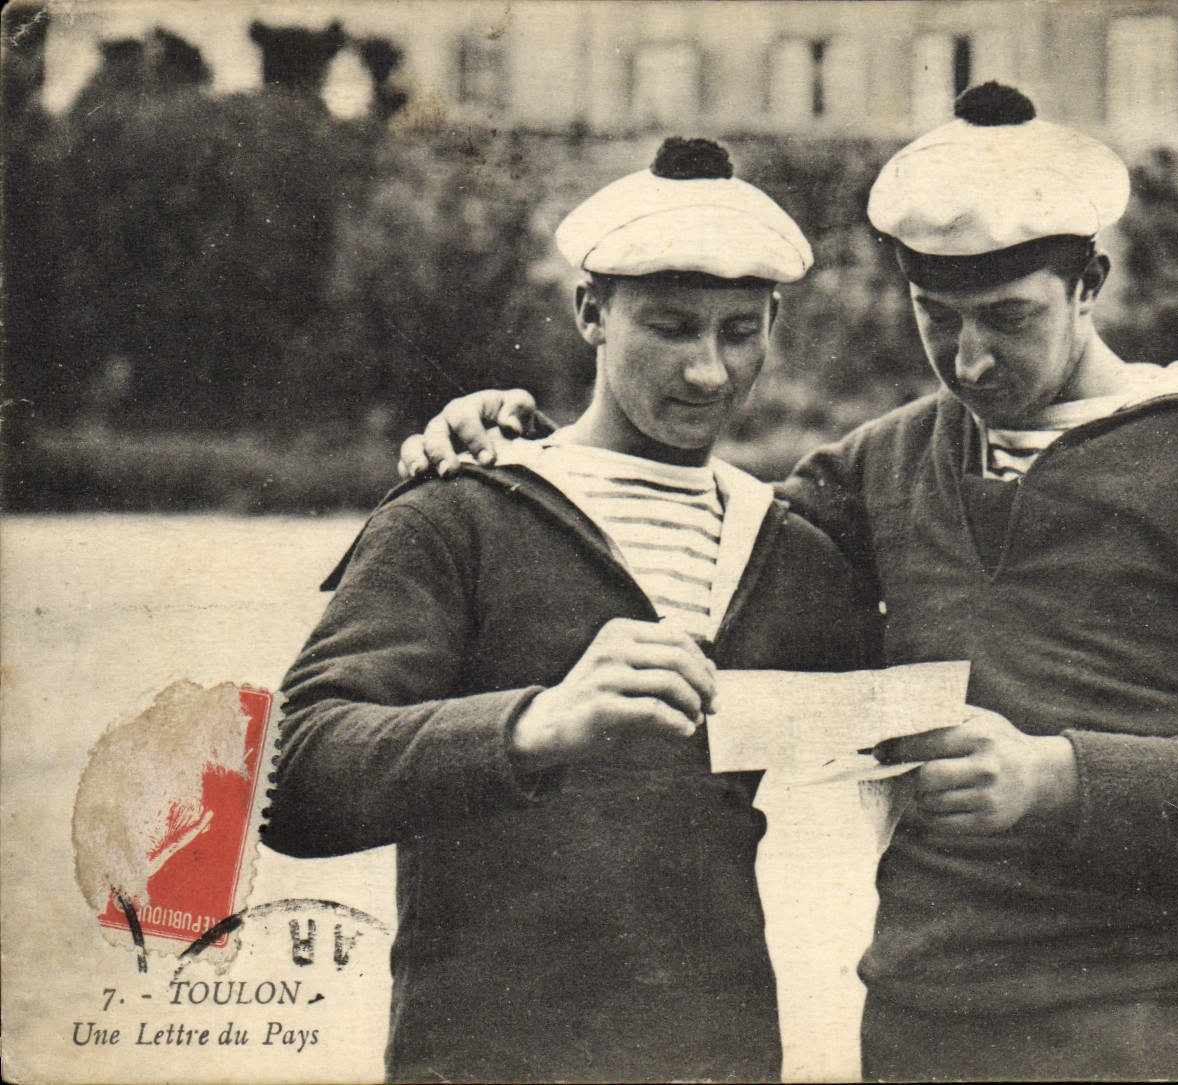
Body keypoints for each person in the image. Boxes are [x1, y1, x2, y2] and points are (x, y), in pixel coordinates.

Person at [401, 84, 1178, 1081]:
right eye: (936, 315)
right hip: (925, 1018)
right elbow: (687, 553)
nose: (967, 359)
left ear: (1088, 283)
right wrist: (512, 444)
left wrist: (1062, 776)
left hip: (1163, 1021)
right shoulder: (885, 462)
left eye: (1006, 317)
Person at [263, 137, 876, 1084]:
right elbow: (293, 774)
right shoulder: (461, 506)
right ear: (591, 310)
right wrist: (535, 723)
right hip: (489, 1055)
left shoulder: (792, 550)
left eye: (739, 330)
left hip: (719, 1054)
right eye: (671, 327)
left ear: (774, 322)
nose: (709, 371)